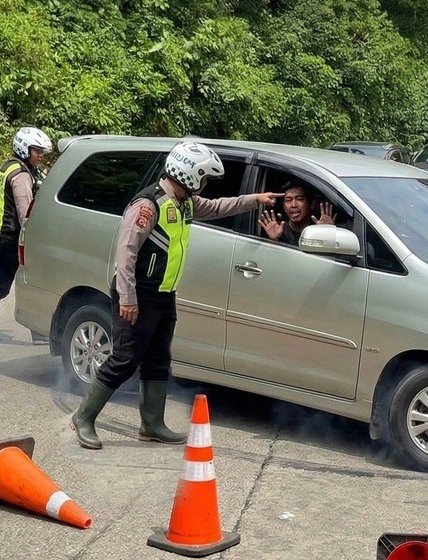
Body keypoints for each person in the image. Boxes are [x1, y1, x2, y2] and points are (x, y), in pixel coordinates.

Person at [70, 141, 281, 450]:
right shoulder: (148, 206)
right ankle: (84, 417)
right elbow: (125, 255)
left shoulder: (185, 202)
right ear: (190, 175)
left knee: (158, 360)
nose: (205, 185)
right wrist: (128, 298)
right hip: (138, 295)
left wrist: (255, 199)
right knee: (124, 359)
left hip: (163, 295)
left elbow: (219, 206)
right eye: (204, 179)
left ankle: (152, 424)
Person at [0, 127, 53, 345]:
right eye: (37, 151)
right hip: (11, 237)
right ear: (25, 149)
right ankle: (38, 334)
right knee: (32, 280)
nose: (40, 155)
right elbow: (25, 211)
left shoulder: (8, 167)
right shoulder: (20, 176)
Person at [259, 182, 336, 246]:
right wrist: (274, 240)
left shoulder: (318, 228)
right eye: (288, 200)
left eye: (299, 199)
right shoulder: (278, 229)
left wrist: (328, 234)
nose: (293, 205)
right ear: (284, 206)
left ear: (311, 203)